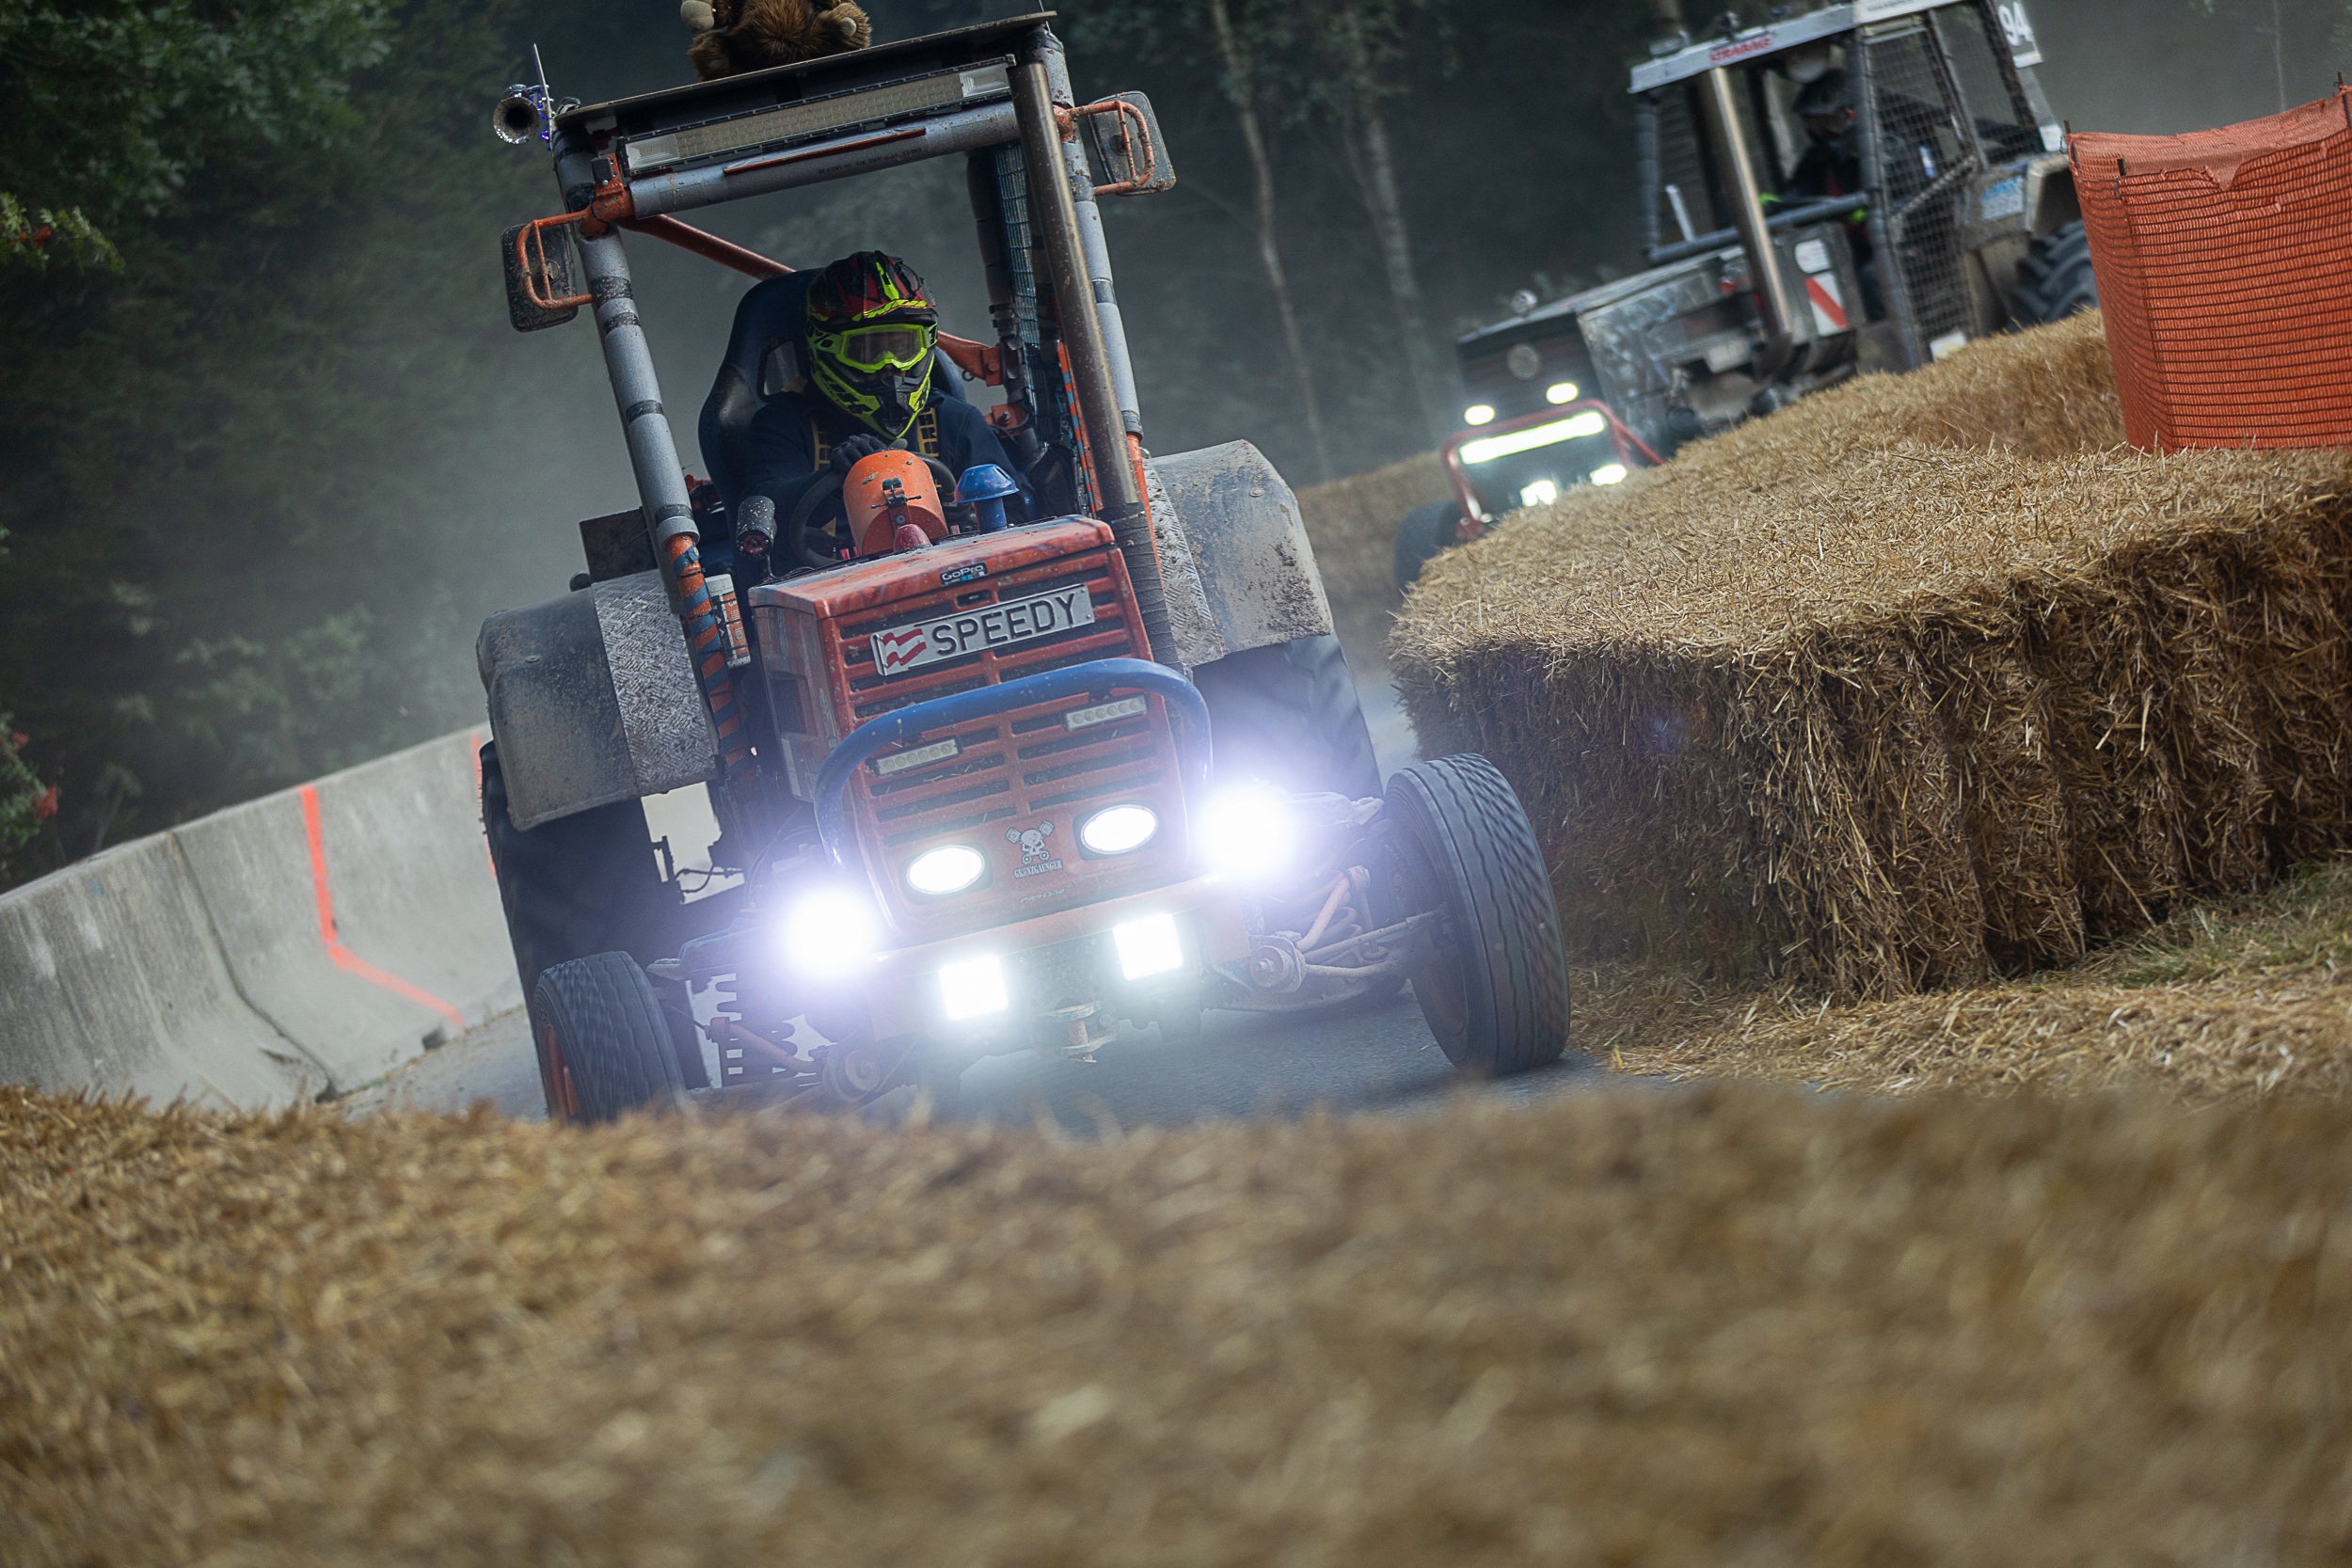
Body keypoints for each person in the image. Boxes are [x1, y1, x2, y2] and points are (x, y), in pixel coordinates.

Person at [742, 250, 1031, 570]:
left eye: (902, 347)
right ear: (825, 346)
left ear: (924, 344)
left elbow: (1021, 524)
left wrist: (969, 520)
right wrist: (839, 478)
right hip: (834, 591)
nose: (889, 366)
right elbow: (759, 517)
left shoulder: (956, 421)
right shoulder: (783, 425)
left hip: (958, 580)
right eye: (869, 351)